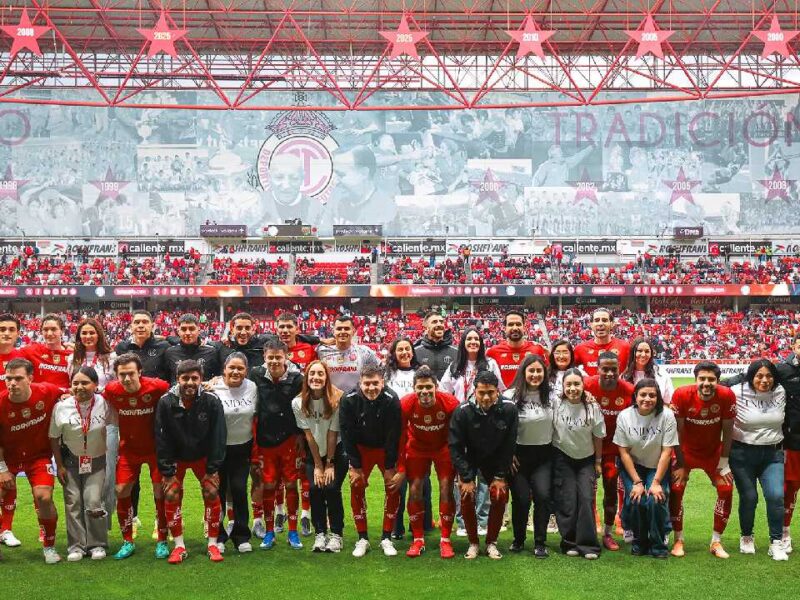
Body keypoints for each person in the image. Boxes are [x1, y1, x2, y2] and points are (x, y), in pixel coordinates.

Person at [155, 359, 227, 564]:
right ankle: (179, 545)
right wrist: (167, 470)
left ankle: (213, 543)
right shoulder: (166, 402)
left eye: (194, 378)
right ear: (177, 379)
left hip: (202, 455)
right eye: (185, 378)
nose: (189, 382)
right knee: (170, 494)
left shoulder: (212, 401)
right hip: (177, 456)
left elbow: (218, 435)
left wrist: (213, 467)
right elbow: (161, 437)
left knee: (212, 491)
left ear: (201, 379)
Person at [102, 353, 170, 560]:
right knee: (121, 490)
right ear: (116, 375)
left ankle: (162, 540)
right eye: (122, 374)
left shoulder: (158, 387)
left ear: (140, 372)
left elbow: (177, 393)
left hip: (155, 449)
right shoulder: (112, 390)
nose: (127, 378)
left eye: (131, 373)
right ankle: (127, 541)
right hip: (129, 450)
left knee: (160, 492)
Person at [49, 367, 116, 561]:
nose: (79, 387)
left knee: (94, 501)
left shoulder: (105, 404)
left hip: (97, 461)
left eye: (85, 383)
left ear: (95, 385)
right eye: (75, 383)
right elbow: (54, 438)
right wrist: (59, 466)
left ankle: (97, 544)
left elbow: (115, 428)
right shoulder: (61, 406)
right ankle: (77, 546)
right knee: (73, 502)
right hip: (70, 462)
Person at [669, 361, 735, 559]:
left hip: (713, 453)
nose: (707, 383)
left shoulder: (726, 395)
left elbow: (728, 431)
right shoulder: (681, 394)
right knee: (675, 489)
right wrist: (680, 463)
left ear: (718, 381)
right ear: (695, 379)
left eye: (711, 379)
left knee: (726, 489)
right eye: (702, 379)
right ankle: (678, 539)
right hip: (685, 452)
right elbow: (677, 432)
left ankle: (716, 541)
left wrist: (724, 462)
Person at [0, 358, 64, 563]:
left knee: (44, 497)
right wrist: (1, 469)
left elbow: (69, 394)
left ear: (30, 378)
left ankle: (49, 547)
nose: (12, 383)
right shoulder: (0, 403)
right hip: (7, 459)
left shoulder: (47, 391)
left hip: (38, 456)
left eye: (18, 378)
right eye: (8, 379)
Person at [449, 370, 517, 559]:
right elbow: (455, 447)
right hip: (470, 458)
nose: (486, 397)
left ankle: (491, 542)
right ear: (474, 391)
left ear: (497, 391)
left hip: (496, 460)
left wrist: (500, 476)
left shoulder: (509, 409)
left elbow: (509, 445)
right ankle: (473, 542)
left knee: (499, 494)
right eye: (481, 393)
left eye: (491, 392)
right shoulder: (463, 411)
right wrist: (466, 477)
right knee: (466, 494)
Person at [339, 364, 403, 557]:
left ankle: (386, 537)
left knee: (393, 487)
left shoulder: (392, 399)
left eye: (376, 383)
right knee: (356, 486)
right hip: (361, 449)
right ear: (360, 382)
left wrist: (391, 465)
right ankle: (362, 538)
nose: (371, 388)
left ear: (382, 382)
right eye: (367, 384)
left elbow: (394, 435)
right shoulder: (348, 399)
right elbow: (346, 434)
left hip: (384, 448)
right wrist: (355, 466)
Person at [728, 359, 788, 561]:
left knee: (776, 496)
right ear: (750, 376)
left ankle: (776, 542)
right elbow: (715, 384)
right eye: (759, 375)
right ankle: (746, 536)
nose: (765, 380)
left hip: (772, 454)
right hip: (742, 454)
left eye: (769, 375)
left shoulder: (781, 390)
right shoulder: (737, 390)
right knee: (749, 497)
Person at [399, 365, 459, 559]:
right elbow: (400, 436)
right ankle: (418, 539)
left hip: (443, 448)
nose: (424, 392)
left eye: (428, 387)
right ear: (414, 388)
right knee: (415, 488)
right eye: (420, 388)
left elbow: (458, 434)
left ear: (436, 387)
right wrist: (400, 463)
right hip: (417, 448)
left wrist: (458, 459)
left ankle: (445, 540)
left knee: (445, 487)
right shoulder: (406, 404)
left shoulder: (450, 403)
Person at [615, 379, 679, 559]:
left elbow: (667, 451)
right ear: (635, 396)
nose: (647, 399)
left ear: (658, 397)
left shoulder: (667, 415)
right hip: (632, 465)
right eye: (643, 394)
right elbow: (624, 452)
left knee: (656, 498)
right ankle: (639, 540)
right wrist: (637, 482)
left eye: (652, 395)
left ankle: (658, 543)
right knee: (636, 499)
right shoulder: (625, 416)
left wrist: (657, 481)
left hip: (656, 465)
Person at [249, 339, 304, 550]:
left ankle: (292, 531)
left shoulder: (297, 378)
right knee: (269, 486)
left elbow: (303, 407)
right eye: (270, 357)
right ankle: (270, 532)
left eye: (278, 357)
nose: (274, 361)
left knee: (291, 484)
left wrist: (300, 434)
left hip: (289, 440)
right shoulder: (255, 375)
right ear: (264, 357)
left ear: (286, 357)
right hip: (265, 441)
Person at [292, 360, 347, 553]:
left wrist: (329, 464)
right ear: (307, 378)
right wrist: (317, 465)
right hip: (314, 453)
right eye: (312, 374)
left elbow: (332, 434)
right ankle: (320, 533)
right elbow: (308, 435)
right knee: (315, 489)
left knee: (331, 489)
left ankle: (337, 534)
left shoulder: (337, 399)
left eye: (320, 374)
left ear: (326, 378)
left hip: (336, 453)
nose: (316, 377)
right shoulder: (298, 402)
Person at [68, 318, 118, 532]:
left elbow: (116, 386)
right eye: (84, 333)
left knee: (108, 474)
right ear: (79, 336)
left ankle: (103, 524)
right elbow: (69, 387)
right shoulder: (72, 358)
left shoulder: (111, 357)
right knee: (81, 473)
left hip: (106, 420)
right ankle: (83, 527)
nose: (88, 337)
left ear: (99, 334)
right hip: (80, 422)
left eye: (92, 332)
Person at [551, 368, 605, 559]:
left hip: (586, 459)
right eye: (569, 384)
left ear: (583, 386)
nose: (573, 388)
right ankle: (569, 542)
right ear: (563, 386)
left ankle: (588, 545)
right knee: (567, 501)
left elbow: (598, 436)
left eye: (577, 384)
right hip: (562, 457)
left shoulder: (592, 407)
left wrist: (598, 461)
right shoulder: (555, 403)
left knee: (586, 498)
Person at [583, 351, 634, 550]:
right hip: (587, 448)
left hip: (614, 450)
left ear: (619, 369)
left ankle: (608, 532)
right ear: (598, 369)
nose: (610, 373)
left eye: (614, 369)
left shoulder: (629, 390)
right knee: (586, 491)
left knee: (611, 489)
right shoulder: (587, 385)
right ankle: (587, 531)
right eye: (606, 369)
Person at [506, 355, 554, 557]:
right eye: (531, 371)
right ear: (523, 373)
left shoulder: (553, 396)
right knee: (521, 499)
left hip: (544, 456)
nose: (535, 375)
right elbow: (503, 429)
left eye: (539, 371)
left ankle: (540, 542)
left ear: (545, 373)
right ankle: (518, 539)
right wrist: (508, 455)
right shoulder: (510, 396)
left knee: (543, 497)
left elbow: (576, 396)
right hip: (518, 457)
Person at [385, 337, 431, 539]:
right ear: (394, 353)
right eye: (400, 349)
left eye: (407, 349)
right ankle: (396, 527)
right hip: (395, 433)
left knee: (422, 481)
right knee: (398, 482)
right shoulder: (387, 373)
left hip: (420, 433)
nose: (404, 352)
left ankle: (423, 523)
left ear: (413, 351)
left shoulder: (421, 372)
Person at [212, 353, 257, 553]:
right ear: (224, 369)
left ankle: (241, 535)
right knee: (218, 492)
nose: (236, 372)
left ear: (246, 371)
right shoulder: (212, 387)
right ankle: (218, 535)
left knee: (239, 489)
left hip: (242, 447)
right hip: (219, 448)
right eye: (232, 368)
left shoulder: (252, 387)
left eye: (240, 368)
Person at [776, 333, 800, 553]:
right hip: (793, 442)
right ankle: (785, 532)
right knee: (790, 489)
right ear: (794, 346)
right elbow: (753, 377)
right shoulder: (782, 370)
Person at [317, 314, 379, 394]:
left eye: (346, 329)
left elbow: (379, 374)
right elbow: (299, 339)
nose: (343, 332)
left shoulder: (365, 353)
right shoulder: (322, 351)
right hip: (331, 403)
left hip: (356, 403)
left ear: (353, 331)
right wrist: (320, 340)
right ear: (333, 331)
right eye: (339, 329)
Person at [440, 327, 505, 404]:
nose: (473, 342)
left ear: (480, 343)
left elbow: (500, 389)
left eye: (476, 339)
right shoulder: (455, 366)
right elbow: (444, 390)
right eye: (469, 339)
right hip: (461, 412)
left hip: (485, 412)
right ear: (463, 343)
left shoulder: (490, 364)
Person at [487, 311, 549, 388]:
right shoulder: (493, 352)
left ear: (524, 327)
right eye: (510, 324)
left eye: (518, 324)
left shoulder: (537, 350)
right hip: (503, 399)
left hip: (529, 399)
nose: (515, 328)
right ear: (504, 328)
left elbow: (548, 374)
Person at [114, 310, 170, 382]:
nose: (140, 325)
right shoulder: (122, 347)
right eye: (137, 322)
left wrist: (167, 337)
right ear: (131, 327)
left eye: (145, 322)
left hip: (157, 392)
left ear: (152, 326)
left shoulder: (164, 346)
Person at [164, 314, 221, 384]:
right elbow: (166, 379)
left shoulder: (211, 352)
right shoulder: (170, 352)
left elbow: (218, 376)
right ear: (178, 331)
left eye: (191, 329)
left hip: (203, 394)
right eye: (184, 329)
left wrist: (215, 379)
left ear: (199, 330)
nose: (187, 333)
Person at [573, 308, 630, 377]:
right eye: (597, 320)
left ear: (612, 324)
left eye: (604, 320)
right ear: (591, 324)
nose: (600, 323)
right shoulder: (580, 349)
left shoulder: (625, 347)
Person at [23, 314, 72, 388]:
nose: (49, 333)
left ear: (62, 331)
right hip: (40, 398)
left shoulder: (72, 356)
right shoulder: (32, 350)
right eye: (45, 330)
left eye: (53, 329)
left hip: (64, 398)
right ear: (41, 332)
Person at [621, 337, 674, 405]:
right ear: (633, 353)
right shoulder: (623, 374)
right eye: (639, 351)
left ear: (651, 353)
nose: (643, 355)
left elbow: (668, 402)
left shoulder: (661, 374)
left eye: (647, 351)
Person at [413, 311, 458, 380]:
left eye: (441, 322)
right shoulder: (415, 353)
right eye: (434, 322)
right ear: (425, 328)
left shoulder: (457, 352)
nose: (439, 324)